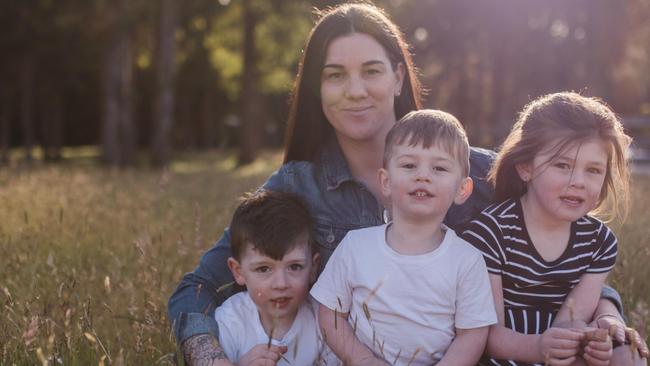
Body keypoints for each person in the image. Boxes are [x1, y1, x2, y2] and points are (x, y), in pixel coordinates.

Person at [167, 4, 644, 365]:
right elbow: (196, 289)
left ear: (398, 76)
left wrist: (606, 313)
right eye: (335, 76)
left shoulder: (480, 173)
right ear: (318, 90)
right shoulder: (298, 186)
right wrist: (213, 359)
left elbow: (566, 244)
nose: (355, 90)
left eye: (371, 71)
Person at [461, 92, 648, 366]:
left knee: (629, 356)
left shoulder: (599, 242)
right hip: (506, 353)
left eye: (593, 170)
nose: (578, 182)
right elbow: (485, 336)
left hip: (559, 354)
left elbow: (571, 323)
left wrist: (595, 338)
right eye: (562, 165)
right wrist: (539, 347)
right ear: (526, 167)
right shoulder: (492, 232)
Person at [311, 110, 497, 365]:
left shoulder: (467, 260)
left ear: (462, 189)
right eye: (409, 165)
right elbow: (330, 313)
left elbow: (472, 335)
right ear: (385, 181)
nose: (423, 175)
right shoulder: (356, 246)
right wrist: (363, 360)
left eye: (439, 168)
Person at [212, 190, 338, 366]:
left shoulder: (323, 321)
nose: (281, 284)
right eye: (263, 268)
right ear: (238, 272)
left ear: (313, 268)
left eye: (295, 267)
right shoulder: (230, 321)